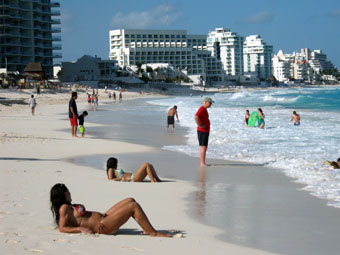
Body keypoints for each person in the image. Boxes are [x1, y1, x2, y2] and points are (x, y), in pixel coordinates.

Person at [50, 183, 170, 237]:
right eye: (66, 191)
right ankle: (153, 233)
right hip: (102, 226)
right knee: (134, 206)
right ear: (62, 195)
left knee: (130, 200)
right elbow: (62, 228)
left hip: (104, 218)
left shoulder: (69, 206)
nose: (69, 192)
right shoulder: (64, 208)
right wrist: (80, 229)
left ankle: (146, 228)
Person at [194, 97, 213, 167]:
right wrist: (200, 125)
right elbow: (196, 117)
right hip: (202, 131)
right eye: (210, 103)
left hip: (204, 131)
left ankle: (202, 163)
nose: (211, 105)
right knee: (203, 147)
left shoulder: (204, 109)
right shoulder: (202, 109)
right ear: (205, 102)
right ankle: (202, 163)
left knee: (204, 146)